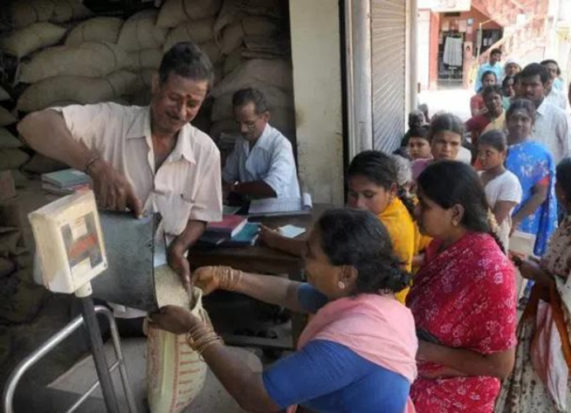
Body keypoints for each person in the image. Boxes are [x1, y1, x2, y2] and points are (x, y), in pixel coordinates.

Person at [18, 42, 222, 326]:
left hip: (164, 292)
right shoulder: (111, 122)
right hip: (102, 293)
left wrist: (179, 247)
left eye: (193, 104)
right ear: (155, 84)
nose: (181, 111)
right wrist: (96, 166)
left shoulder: (205, 152)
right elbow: (32, 125)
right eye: (174, 98)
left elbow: (201, 215)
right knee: (98, 361)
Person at [150, 208, 418, 412]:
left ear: (346, 273)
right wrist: (228, 277)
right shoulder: (371, 298)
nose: (304, 262)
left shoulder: (352, 342)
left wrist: (196, 330)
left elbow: (254, 395)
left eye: (311, 255)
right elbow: (291, 292)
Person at [496, 155, 571, 413]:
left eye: (556, 182)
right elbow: (569, 274)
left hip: (563, 338)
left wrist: (538, 275)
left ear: (563, 191)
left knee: (550, 397)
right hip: (548, 321)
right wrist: (538, 264)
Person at [407, 160, 517, 412]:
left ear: (455, 213)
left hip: (454, 393)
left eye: (424, 205)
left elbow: (501, 365)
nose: (416, 212)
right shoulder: (441, 246)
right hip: (419, 370)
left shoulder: (490, 270)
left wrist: (425, 351)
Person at [261, 151, 431, 302]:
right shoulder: (394, 207)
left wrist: (274, 240)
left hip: (374, 305)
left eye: (369, 195)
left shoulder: (385, 226)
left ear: (392, 190)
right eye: (352, 194)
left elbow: (316, 249)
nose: (359, 204)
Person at [222, 87, 300, 200]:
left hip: (281, 212)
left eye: (249, 123)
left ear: (266, 117)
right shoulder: (241, 142)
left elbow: (272, 186)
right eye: (238, 122)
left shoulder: (280, 145)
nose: (243, 129)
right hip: (253, 210)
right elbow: (227, 175)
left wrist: (235, 188)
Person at [505, 99, 557, 256]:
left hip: (524, 221)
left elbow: (541, 194)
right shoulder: (495, 146)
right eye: (515, 118)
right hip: (493, 217)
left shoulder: (539, 154)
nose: (519, 123)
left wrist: (515, 221)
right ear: (507, 121)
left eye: (524, 119)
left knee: (518, 268)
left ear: (532, 123)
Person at [518, 63, 571, 162]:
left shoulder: (559, 116)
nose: (528, 89)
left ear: (545, 86)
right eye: (524, 85)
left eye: (533, 85)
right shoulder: (514, 115)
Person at [477, 130, 522, 249]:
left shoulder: (509, 181)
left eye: (488, 153)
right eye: (480, 153)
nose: (482, 157)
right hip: (473, 235)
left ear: (503, 154)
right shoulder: (477, 176)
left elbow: (495, 221)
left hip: (493, 240)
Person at [411, 113, 467, 180]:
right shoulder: (416, 168)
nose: (447, 149)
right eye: (441, 142)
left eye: (454, 144)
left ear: (460, 145)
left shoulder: (464, 177)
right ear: (430, 140)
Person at [466, 85, 506, 150]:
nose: (493, 102)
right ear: (484, 102)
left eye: (496, 98)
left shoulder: (509, 117)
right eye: (489, 99)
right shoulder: (479, 119)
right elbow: (458, 131)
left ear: (501, 99)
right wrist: (471, 148)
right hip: (483, 157)